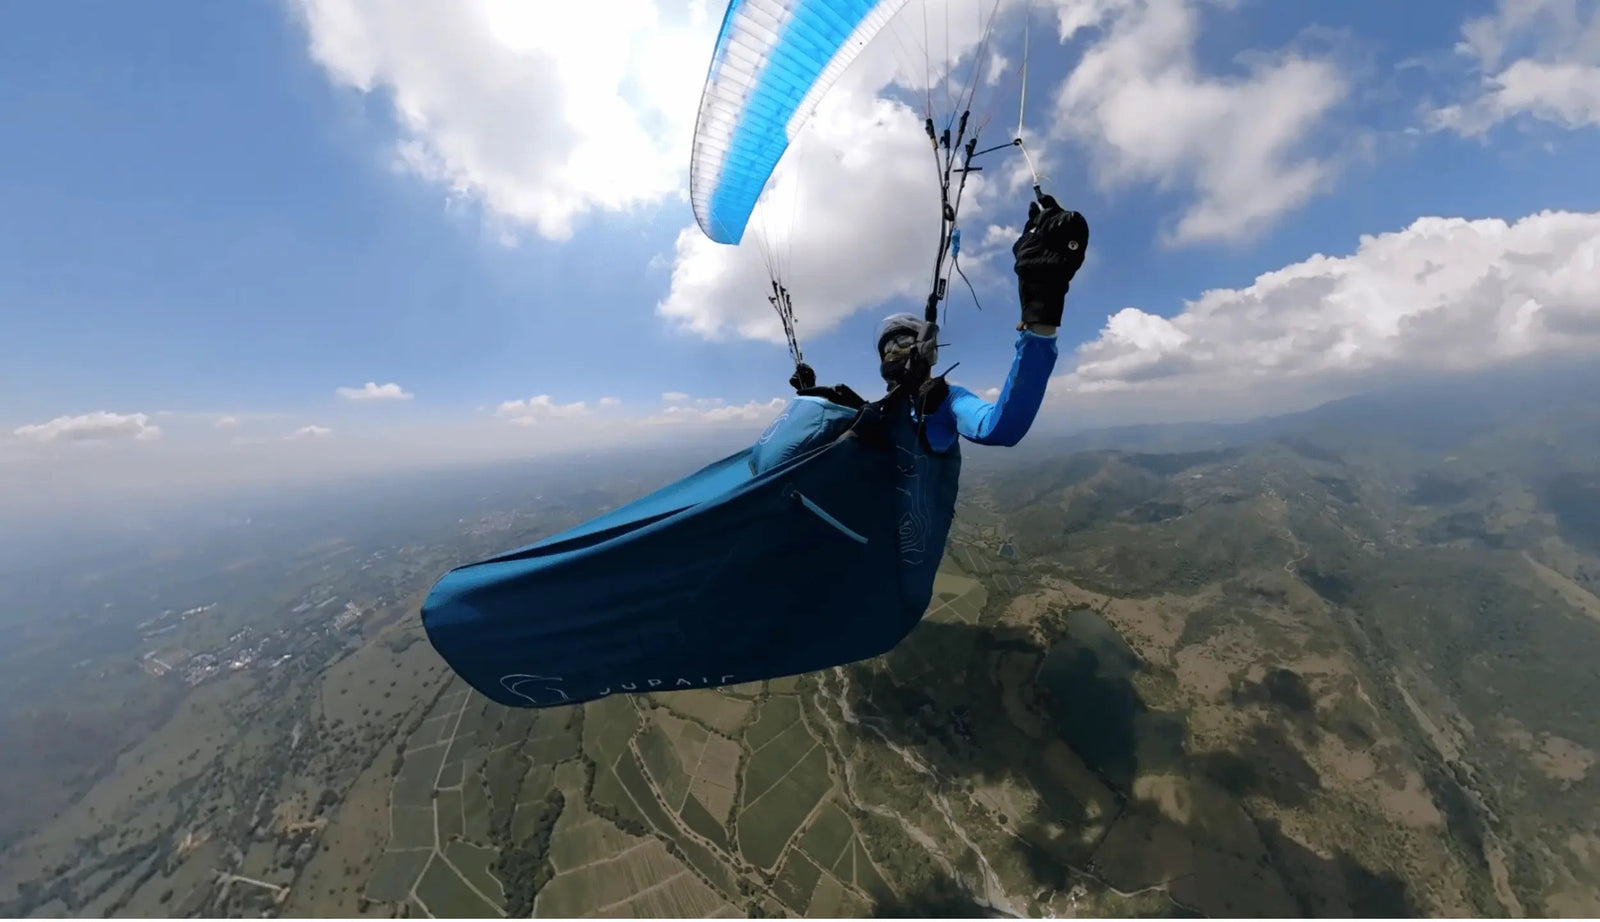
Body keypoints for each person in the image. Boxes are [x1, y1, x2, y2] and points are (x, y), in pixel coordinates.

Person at [751, 196, 1089, 473]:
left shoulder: (944, 403)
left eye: (903, 342)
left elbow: (1002, 428)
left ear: (926, 348)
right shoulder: (880, 413)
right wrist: (810, 396)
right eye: (889, 346)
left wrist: (1041, 315)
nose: (895, 352)